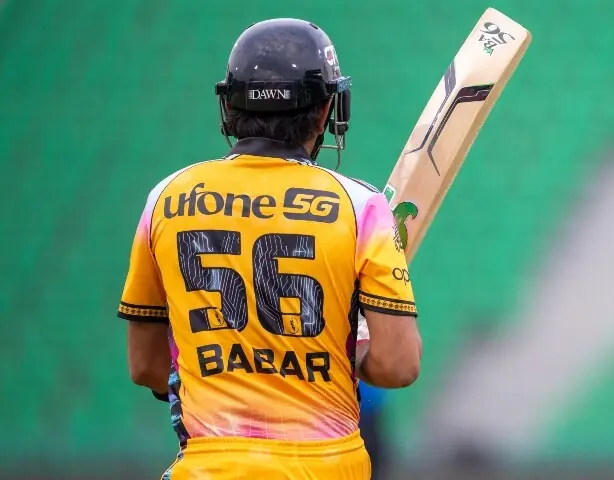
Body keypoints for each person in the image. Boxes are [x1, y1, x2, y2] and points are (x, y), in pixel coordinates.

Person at [117, 18, 423, 480]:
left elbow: (145, 365)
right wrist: (346, 357)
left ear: (230, 106)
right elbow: (399, 365)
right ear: (325, 112)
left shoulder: (166, 199)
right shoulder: (361, 208)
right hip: (327, 466)